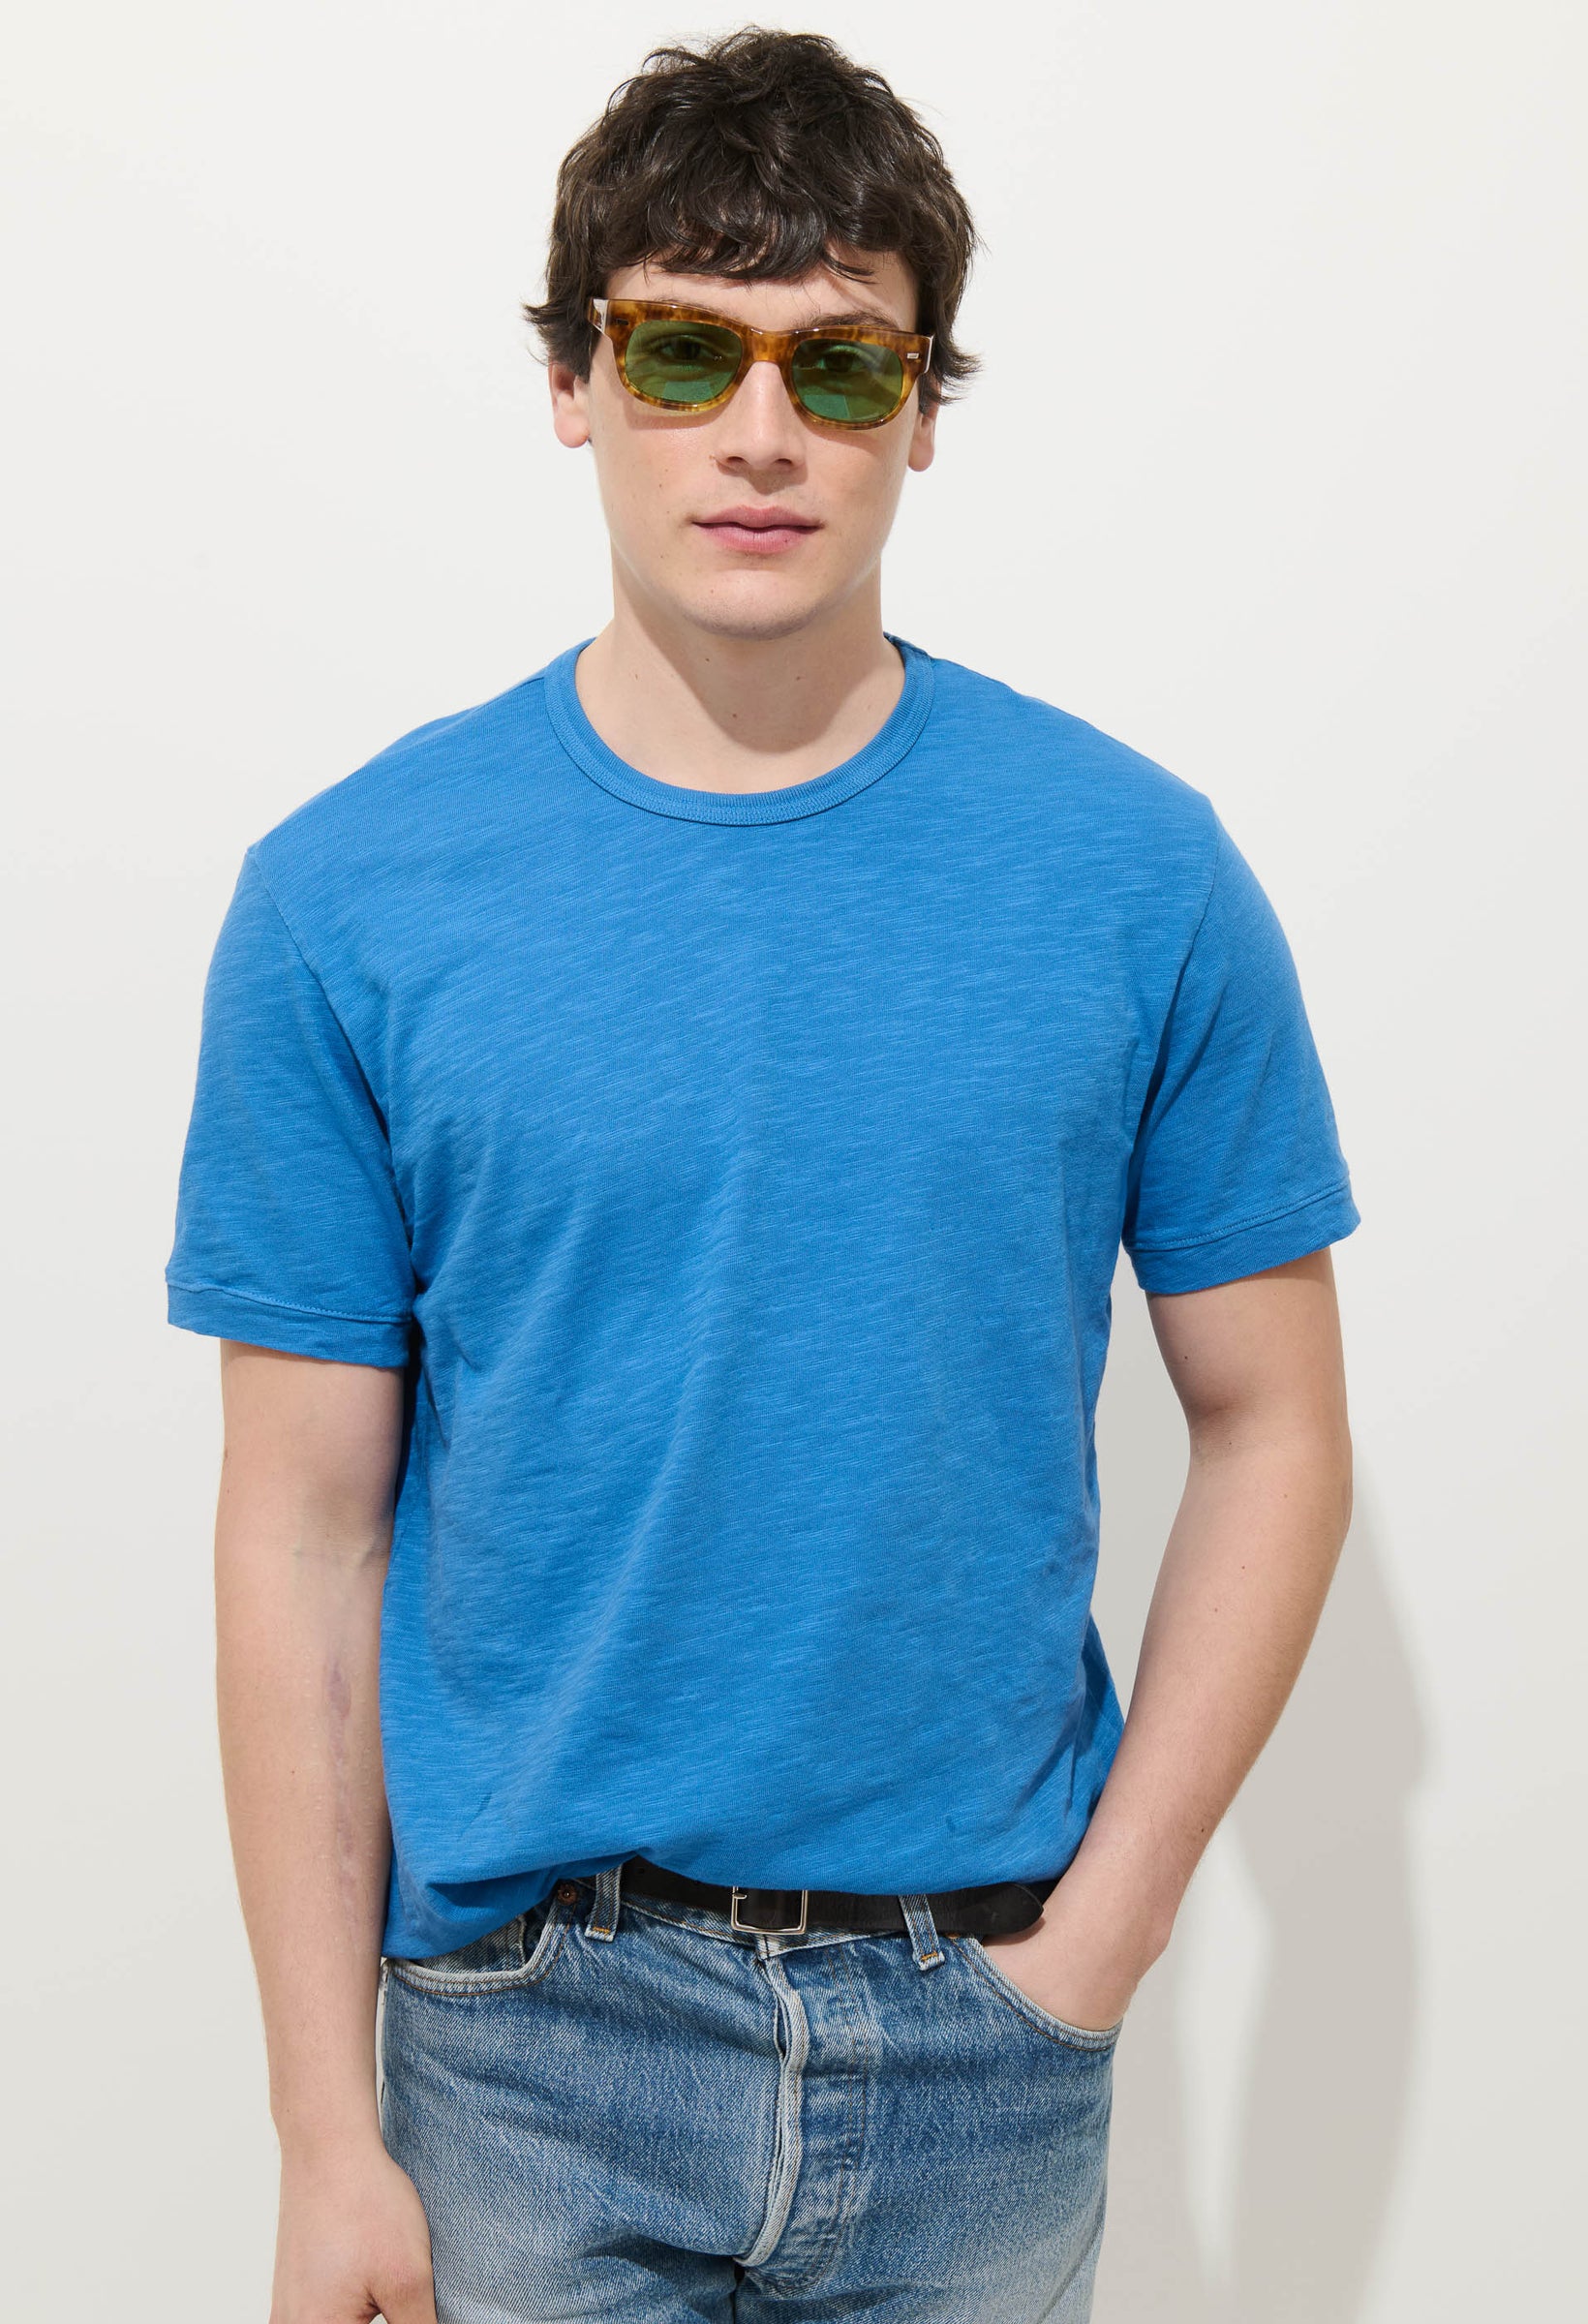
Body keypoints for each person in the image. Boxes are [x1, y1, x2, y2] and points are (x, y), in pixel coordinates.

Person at [165, 26, 1359, 2324]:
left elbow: (1275, 1423)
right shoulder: (350, 899)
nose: (760, 430)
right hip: (522, 2055)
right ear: (573, 379)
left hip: (984, 2036)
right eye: (686, 349)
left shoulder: (1136, 873)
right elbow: (300, 1534)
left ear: (925, 407)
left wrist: (1098, 1947)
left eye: (841, 362)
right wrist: (323, 2131)